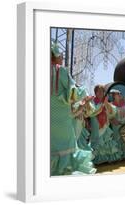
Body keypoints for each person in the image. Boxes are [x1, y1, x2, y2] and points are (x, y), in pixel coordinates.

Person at [50, 42, 96, 175]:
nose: (62, 59)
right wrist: (85, 96)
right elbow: (74, 93)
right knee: (67, 154)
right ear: (56, 56)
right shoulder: (60, 70)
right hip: (63, 123)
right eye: (61, 56)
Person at [90, 85, 122, 165]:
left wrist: (106, 103)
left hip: (105, 125)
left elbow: (113, 111)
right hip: (96, 125)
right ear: (95, 92)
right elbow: (92, 111)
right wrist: (102, 104)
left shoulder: (106, 101)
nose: (100, 93)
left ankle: (108, 158)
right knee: (97, 141)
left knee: (106, 141)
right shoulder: (92, 102)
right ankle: (97, 160)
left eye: (102, 91)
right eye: (98, 91)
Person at [110, 89, 125, 160]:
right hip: (116, 125)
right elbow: (109, 116)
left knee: (123, 139)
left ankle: (124, 155)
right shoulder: (111, 105)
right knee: (117, 139)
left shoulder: (124, 104)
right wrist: (112, 120)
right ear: (114, 96)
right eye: (117, 94)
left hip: (123, 124)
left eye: (119, 94)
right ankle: (117, 156)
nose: (119, 95)